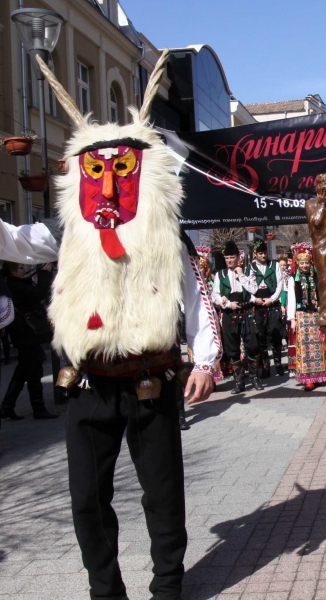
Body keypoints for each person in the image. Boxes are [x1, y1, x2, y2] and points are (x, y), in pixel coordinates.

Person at [0, 52, 219, 600]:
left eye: (124, 169)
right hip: (88, 384)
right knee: (86, 499)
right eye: (99, 170)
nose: (112, 184)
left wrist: (208, 360)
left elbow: (197, 302)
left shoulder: (168, 235)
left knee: (163, 494)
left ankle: (168, 586)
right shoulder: (68, 230)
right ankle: (106, 590)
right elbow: (14, 241)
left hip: (152, 381)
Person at [0, 262, 55, 420]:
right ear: (14, 270)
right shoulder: (12, 284)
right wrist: (45, 274)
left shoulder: (12, 282)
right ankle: (38, 407)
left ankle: (7, 405)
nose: (24, 269)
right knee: (33, 368)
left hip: (24, 332)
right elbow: (36, 294)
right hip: (24, 332)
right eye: (21, 267)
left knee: (25, 368)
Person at [212, 240, 260, 393]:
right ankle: (239, 381)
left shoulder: (247, 272)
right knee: (232, 349)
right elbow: (215, 296)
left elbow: (254, 289)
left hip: (246, 313)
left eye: (232, 257)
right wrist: (226, 304)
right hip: (229, 314)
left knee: (252, 345)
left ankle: (253, 377)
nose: (229, 260)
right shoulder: (220, 274)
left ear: (239, 257)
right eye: (227, 258)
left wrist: (240, 275)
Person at [286, 243, 326, 391]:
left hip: (315, 315)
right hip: (302, 315)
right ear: (298, 263)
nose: (304, 266)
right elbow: (291, 299)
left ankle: (317, 375)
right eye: (302, 263)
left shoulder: (316, 276)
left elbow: (322, 294)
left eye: (307, 263)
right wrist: (292, 319)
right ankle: (307, 379)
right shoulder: (294, 279)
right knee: (305, 349)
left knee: (318, 346)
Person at [249, 239, 286, 380]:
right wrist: (254, 300)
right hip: (258, 302)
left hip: (272, 300)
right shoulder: (250, 268)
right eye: (260, 253)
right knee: (261, 335)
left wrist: (272, 299)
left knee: (276, 333)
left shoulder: (275, 265)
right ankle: (265, 367)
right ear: (255, 254)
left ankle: (278, 364)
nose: (263, 256)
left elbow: (280, 284)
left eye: (264, 253)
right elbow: (246, 285)